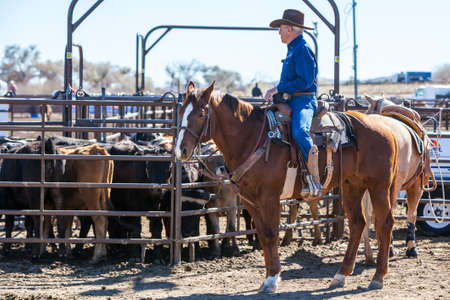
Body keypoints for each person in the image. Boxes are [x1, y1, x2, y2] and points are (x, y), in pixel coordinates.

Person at [264, 9, 320, 198]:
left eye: (280, 28)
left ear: (289, 29)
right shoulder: (294, 50)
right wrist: (278, 90)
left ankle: (314, 176)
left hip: (304, 100)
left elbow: (305, 81)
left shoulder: (302, 49)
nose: (279, 32)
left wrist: (280, 88)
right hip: (293, 99)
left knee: (299, 131)